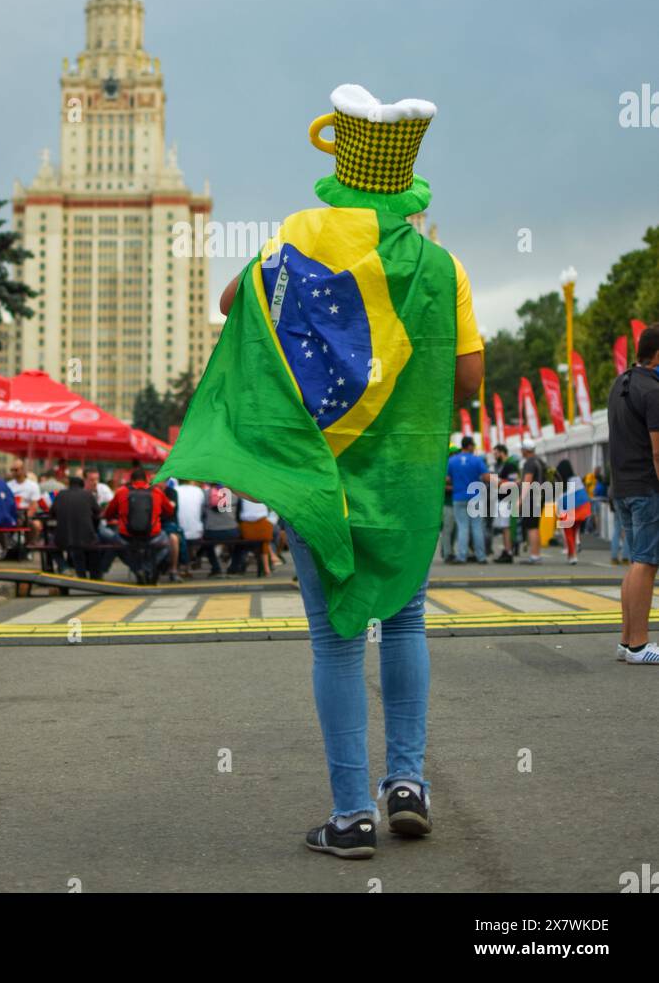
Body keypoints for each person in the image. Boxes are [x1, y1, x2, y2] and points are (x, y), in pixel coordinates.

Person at [157, 82, 484, 856]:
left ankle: (349, 817)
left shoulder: (296, 241)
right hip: (401, 478)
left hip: (314, 473)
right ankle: (407, 783)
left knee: (336, 638)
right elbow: (467, 380)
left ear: (340, 163)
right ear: (406, 181)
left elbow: (235, 303)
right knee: (403, 617)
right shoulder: (440, 267)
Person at [608, 324, 659, 664]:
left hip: (622, 485)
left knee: (635, 561)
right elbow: (658, 451)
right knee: (646, 562)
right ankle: (640, 645)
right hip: (646, 486)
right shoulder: (654, 391)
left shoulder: (621, 383)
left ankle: (627, 640)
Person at [105, 467, 174, 583]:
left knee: (115, 544)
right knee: (167, 544)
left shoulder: (121, 491)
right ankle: (148, 567)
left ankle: (137, 568)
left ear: (131, 480)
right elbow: (170, 511)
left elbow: (109, 513)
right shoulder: (156, 492)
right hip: (152, 535)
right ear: (147, 479)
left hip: (128, 536)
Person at [446, 436, 491, 564]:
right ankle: (481, 556)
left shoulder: (452, 461)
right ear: (470, 446)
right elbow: (486, 477)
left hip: (458, 497)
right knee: (477, 527)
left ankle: (462, 556)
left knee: (462, 527)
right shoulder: (477, 460)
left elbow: (447, 479)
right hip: (475, 497)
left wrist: (457, 480)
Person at [52, 474, 101, 577]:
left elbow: (52, 512)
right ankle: (95, 576)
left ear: (69, 485)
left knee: (50, 545)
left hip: (63, 538)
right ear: (82, 485)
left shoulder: (60, 494)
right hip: (87, 537)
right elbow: (98, 512)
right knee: (94, 545)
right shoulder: (88, 495)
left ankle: (64, 568)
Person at [201, 484, 243, 576]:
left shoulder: (205, 494)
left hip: (211, 532)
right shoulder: (234, 494)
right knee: (241, 545)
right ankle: (234, 568)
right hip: (232, 531)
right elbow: (239, 515)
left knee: (206, 545)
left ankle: (216, 568)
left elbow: (202, 514)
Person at [491, 442, 520, 564]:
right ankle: (507, 550)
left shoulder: (510, 465)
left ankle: (508, 551)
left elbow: (515, 482)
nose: (494, 455)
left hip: (507, 499)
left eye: (496, 453)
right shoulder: (501, 465)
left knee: (506, 527)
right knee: (504, 527)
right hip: (502, 498)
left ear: (502, 452)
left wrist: (498, 482)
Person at [518, 438, 547, 563]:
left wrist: (520, 500)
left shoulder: (529, 462)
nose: (521, 451)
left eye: (522, 449)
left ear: (525, 450)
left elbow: (527, 481)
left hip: (531, 498)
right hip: (540, 496)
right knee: (535, 526)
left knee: (532, 527)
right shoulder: (540, 461)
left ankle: (535, 556)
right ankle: (536, 554)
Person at [239, 495, 276, 575]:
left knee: (263, 540)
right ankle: (268, 566)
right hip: (262, 523)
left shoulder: (242, 496)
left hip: (246, 526)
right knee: (265, 540)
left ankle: (270, 561)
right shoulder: (263, 495)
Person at [7, 459, 43, 542]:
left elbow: (34, 505)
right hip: (12, 514)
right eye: (12, 470)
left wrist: (26, 517)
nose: (13, 472)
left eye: (16, 470)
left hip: (26, 515)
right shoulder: (8, 485)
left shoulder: (32, 486)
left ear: (23, 470)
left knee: (36, 525)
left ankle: (28, 546)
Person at [176, 478, 205, 573]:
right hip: (196, 532)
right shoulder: (199, 491)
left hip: (178, 532)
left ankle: (183, 565)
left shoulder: (175, 490)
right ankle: (189, 562)